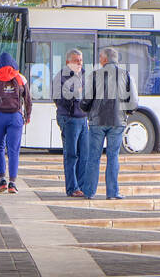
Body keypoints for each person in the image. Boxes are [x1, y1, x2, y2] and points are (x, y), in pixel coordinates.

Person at [81, 47, 135, 201]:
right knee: (113, 157)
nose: (99, 59)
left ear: (105, 59)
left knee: (93, 157)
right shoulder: (126, 75)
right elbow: (134, 101)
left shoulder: (95, 75)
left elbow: (86, 100)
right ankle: (112, 192)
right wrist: (126, 113)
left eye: (100, 57)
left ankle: (89, 192)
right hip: (117, 122)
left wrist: (85, 109)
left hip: (97, 122)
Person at [0, 50, 32, 194]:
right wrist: (27, 115)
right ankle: (12, 183)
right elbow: (28, 99)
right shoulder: (20, 78)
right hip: (16, 117)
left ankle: (1, 180)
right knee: (13, 150)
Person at [53, 49, 89, 198]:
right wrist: (75, 94)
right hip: (69, 119)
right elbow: (58, 99)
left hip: (83, 119)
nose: (79, 63)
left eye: (80, 60)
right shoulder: (60, 77)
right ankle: (72, 188)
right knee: (71, 155)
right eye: (76, 60)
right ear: (68, 62)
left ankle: (81, 186)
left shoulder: (85, 75)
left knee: (84, 154)